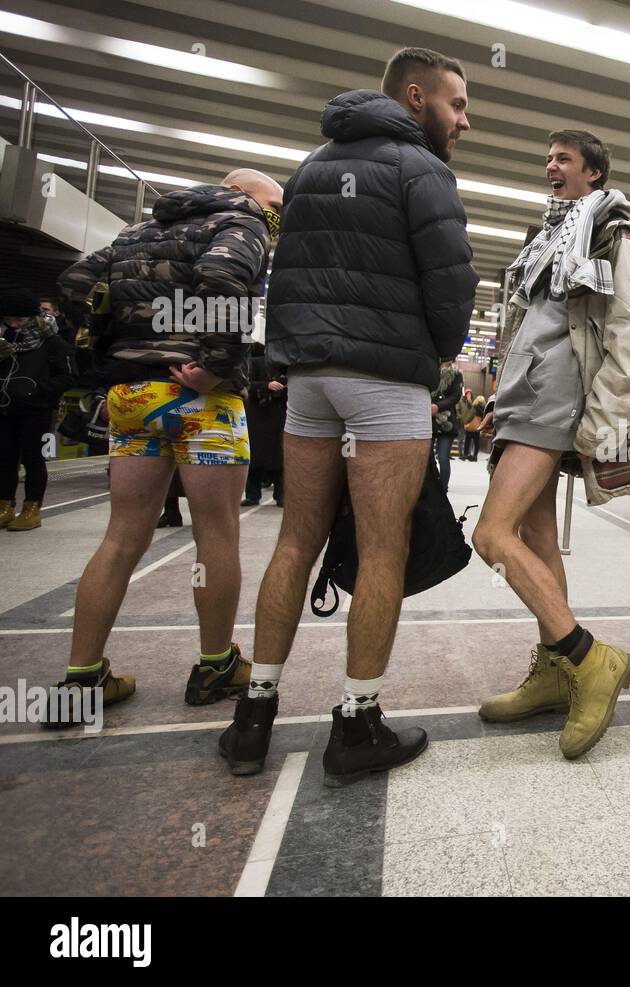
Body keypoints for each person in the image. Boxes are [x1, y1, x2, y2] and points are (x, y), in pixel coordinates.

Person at [217, 47, 477, 783]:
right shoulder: (421, 170)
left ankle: (253, 716)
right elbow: (451, 284)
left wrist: (301, 356)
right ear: (417, 96)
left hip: (310, 382)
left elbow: (284, 278)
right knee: (382, 548)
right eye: (457, 106)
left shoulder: (308, 166)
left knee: (295, 541)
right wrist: (436, 354)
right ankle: (358, 723)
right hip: (385, 376)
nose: (464, 122)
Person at [44, 169, 281, 727]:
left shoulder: (135, 233)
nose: (276, 217)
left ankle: (82, 677)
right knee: (217, 534)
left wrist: (116, 355)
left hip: (133, 395)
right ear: (244, 194)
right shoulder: (240, 220)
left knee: (122, 535)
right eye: (274, 204)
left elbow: (77, 284)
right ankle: (216, 665)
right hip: (201, 400)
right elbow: (223, 276)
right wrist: (217, 364)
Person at [474, 129, 630, 760]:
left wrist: (604, 419)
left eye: (564, 159)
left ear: (595, 174)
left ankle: (589, 658)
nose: (550, 166)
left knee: (490, 535)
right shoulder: (547, 240)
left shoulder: (614, 233)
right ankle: (557, 671)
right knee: (533, 540)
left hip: (557, 401)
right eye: (547, 156)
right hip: (524, 398)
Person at [0, 291, 77, 531]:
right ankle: (5, 504)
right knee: (5, 458)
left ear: (33, 318)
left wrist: (38, 391)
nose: (14, 325)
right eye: (9, 320)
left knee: (35, 459)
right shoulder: (5, 340)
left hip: (38, 411)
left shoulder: (53, 342)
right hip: (5, 408)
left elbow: (69, 376)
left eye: (20, 320)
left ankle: (32, 507)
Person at [241, 343, 287, 506]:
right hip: (258, 416)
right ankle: (253, 495)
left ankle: (281, 495)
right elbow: (246, 383)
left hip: (279, 415)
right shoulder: (255, 363)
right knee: (255, 458)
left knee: (280, 459)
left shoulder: (285, 366)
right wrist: (266, 386)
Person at [430, 361, 463, 492]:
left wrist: (438, 406)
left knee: (443, 458)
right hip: (428, 420)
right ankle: (429, 488)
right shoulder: (430, 370)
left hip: (446, 422)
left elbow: (456, 396)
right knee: (427, 458)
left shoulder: (456, 374)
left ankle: (442, 490)